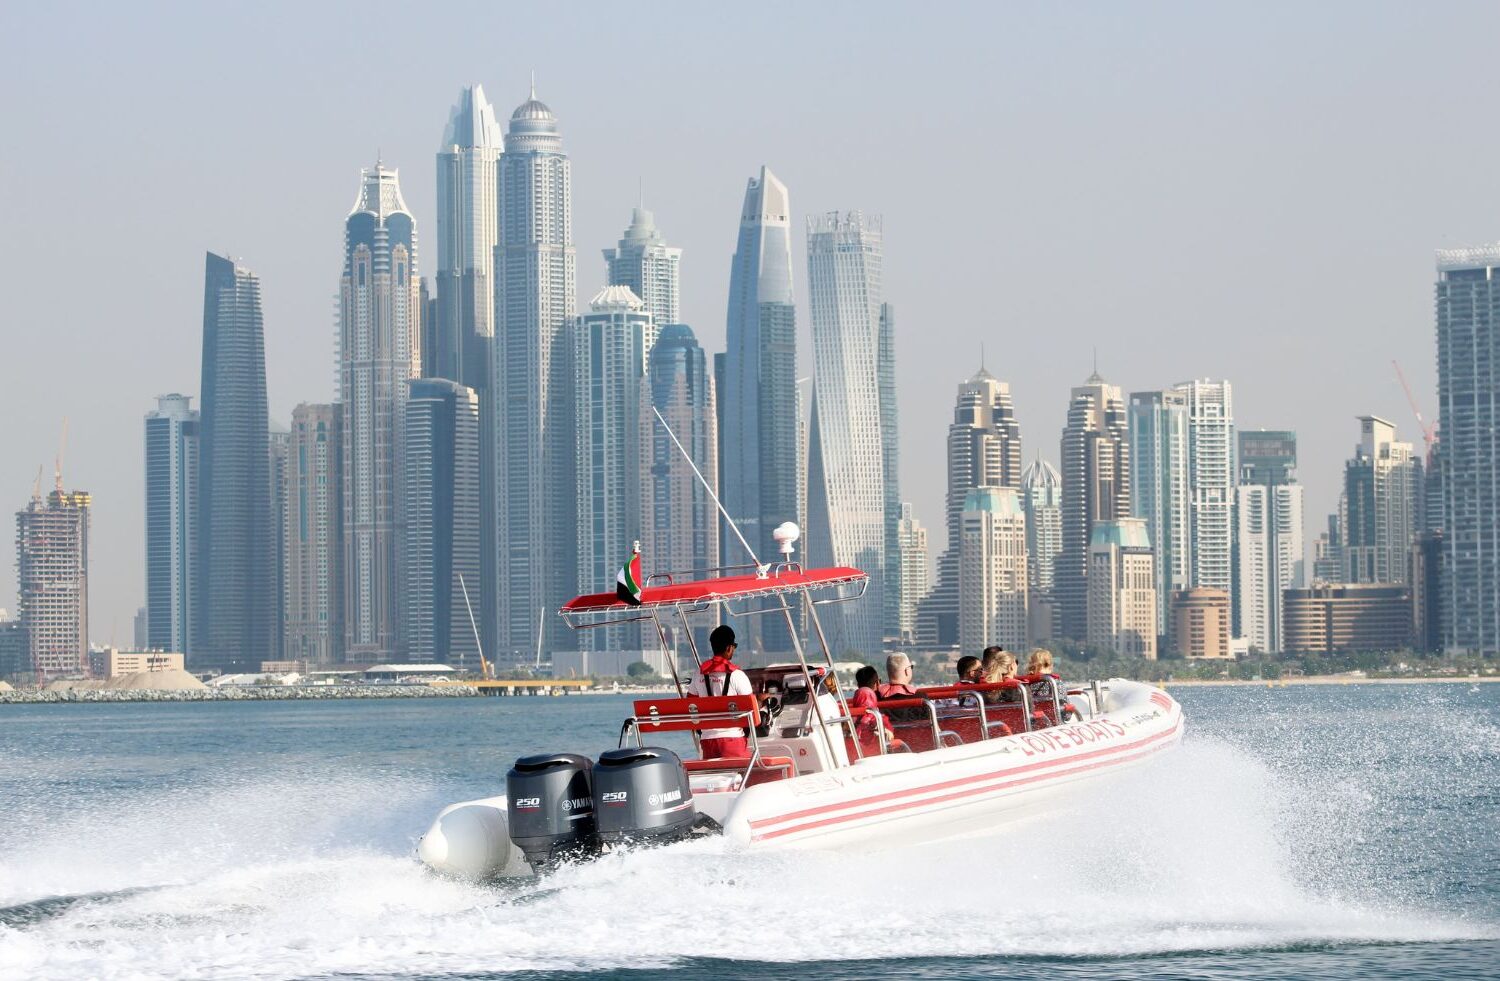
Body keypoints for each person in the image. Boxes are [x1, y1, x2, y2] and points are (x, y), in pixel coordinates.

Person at [687, 624, 754, 759]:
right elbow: (751, 709)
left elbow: (690, 704)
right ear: (729, 647)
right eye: (733, 647)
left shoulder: (698, 674)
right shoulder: (737, 675)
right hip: (733, 742)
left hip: (707, 743)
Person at [850, 665, 904, 754]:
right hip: (876, 749)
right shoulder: (876, 715)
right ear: (878, 683)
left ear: (858, 685)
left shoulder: (856, 704)